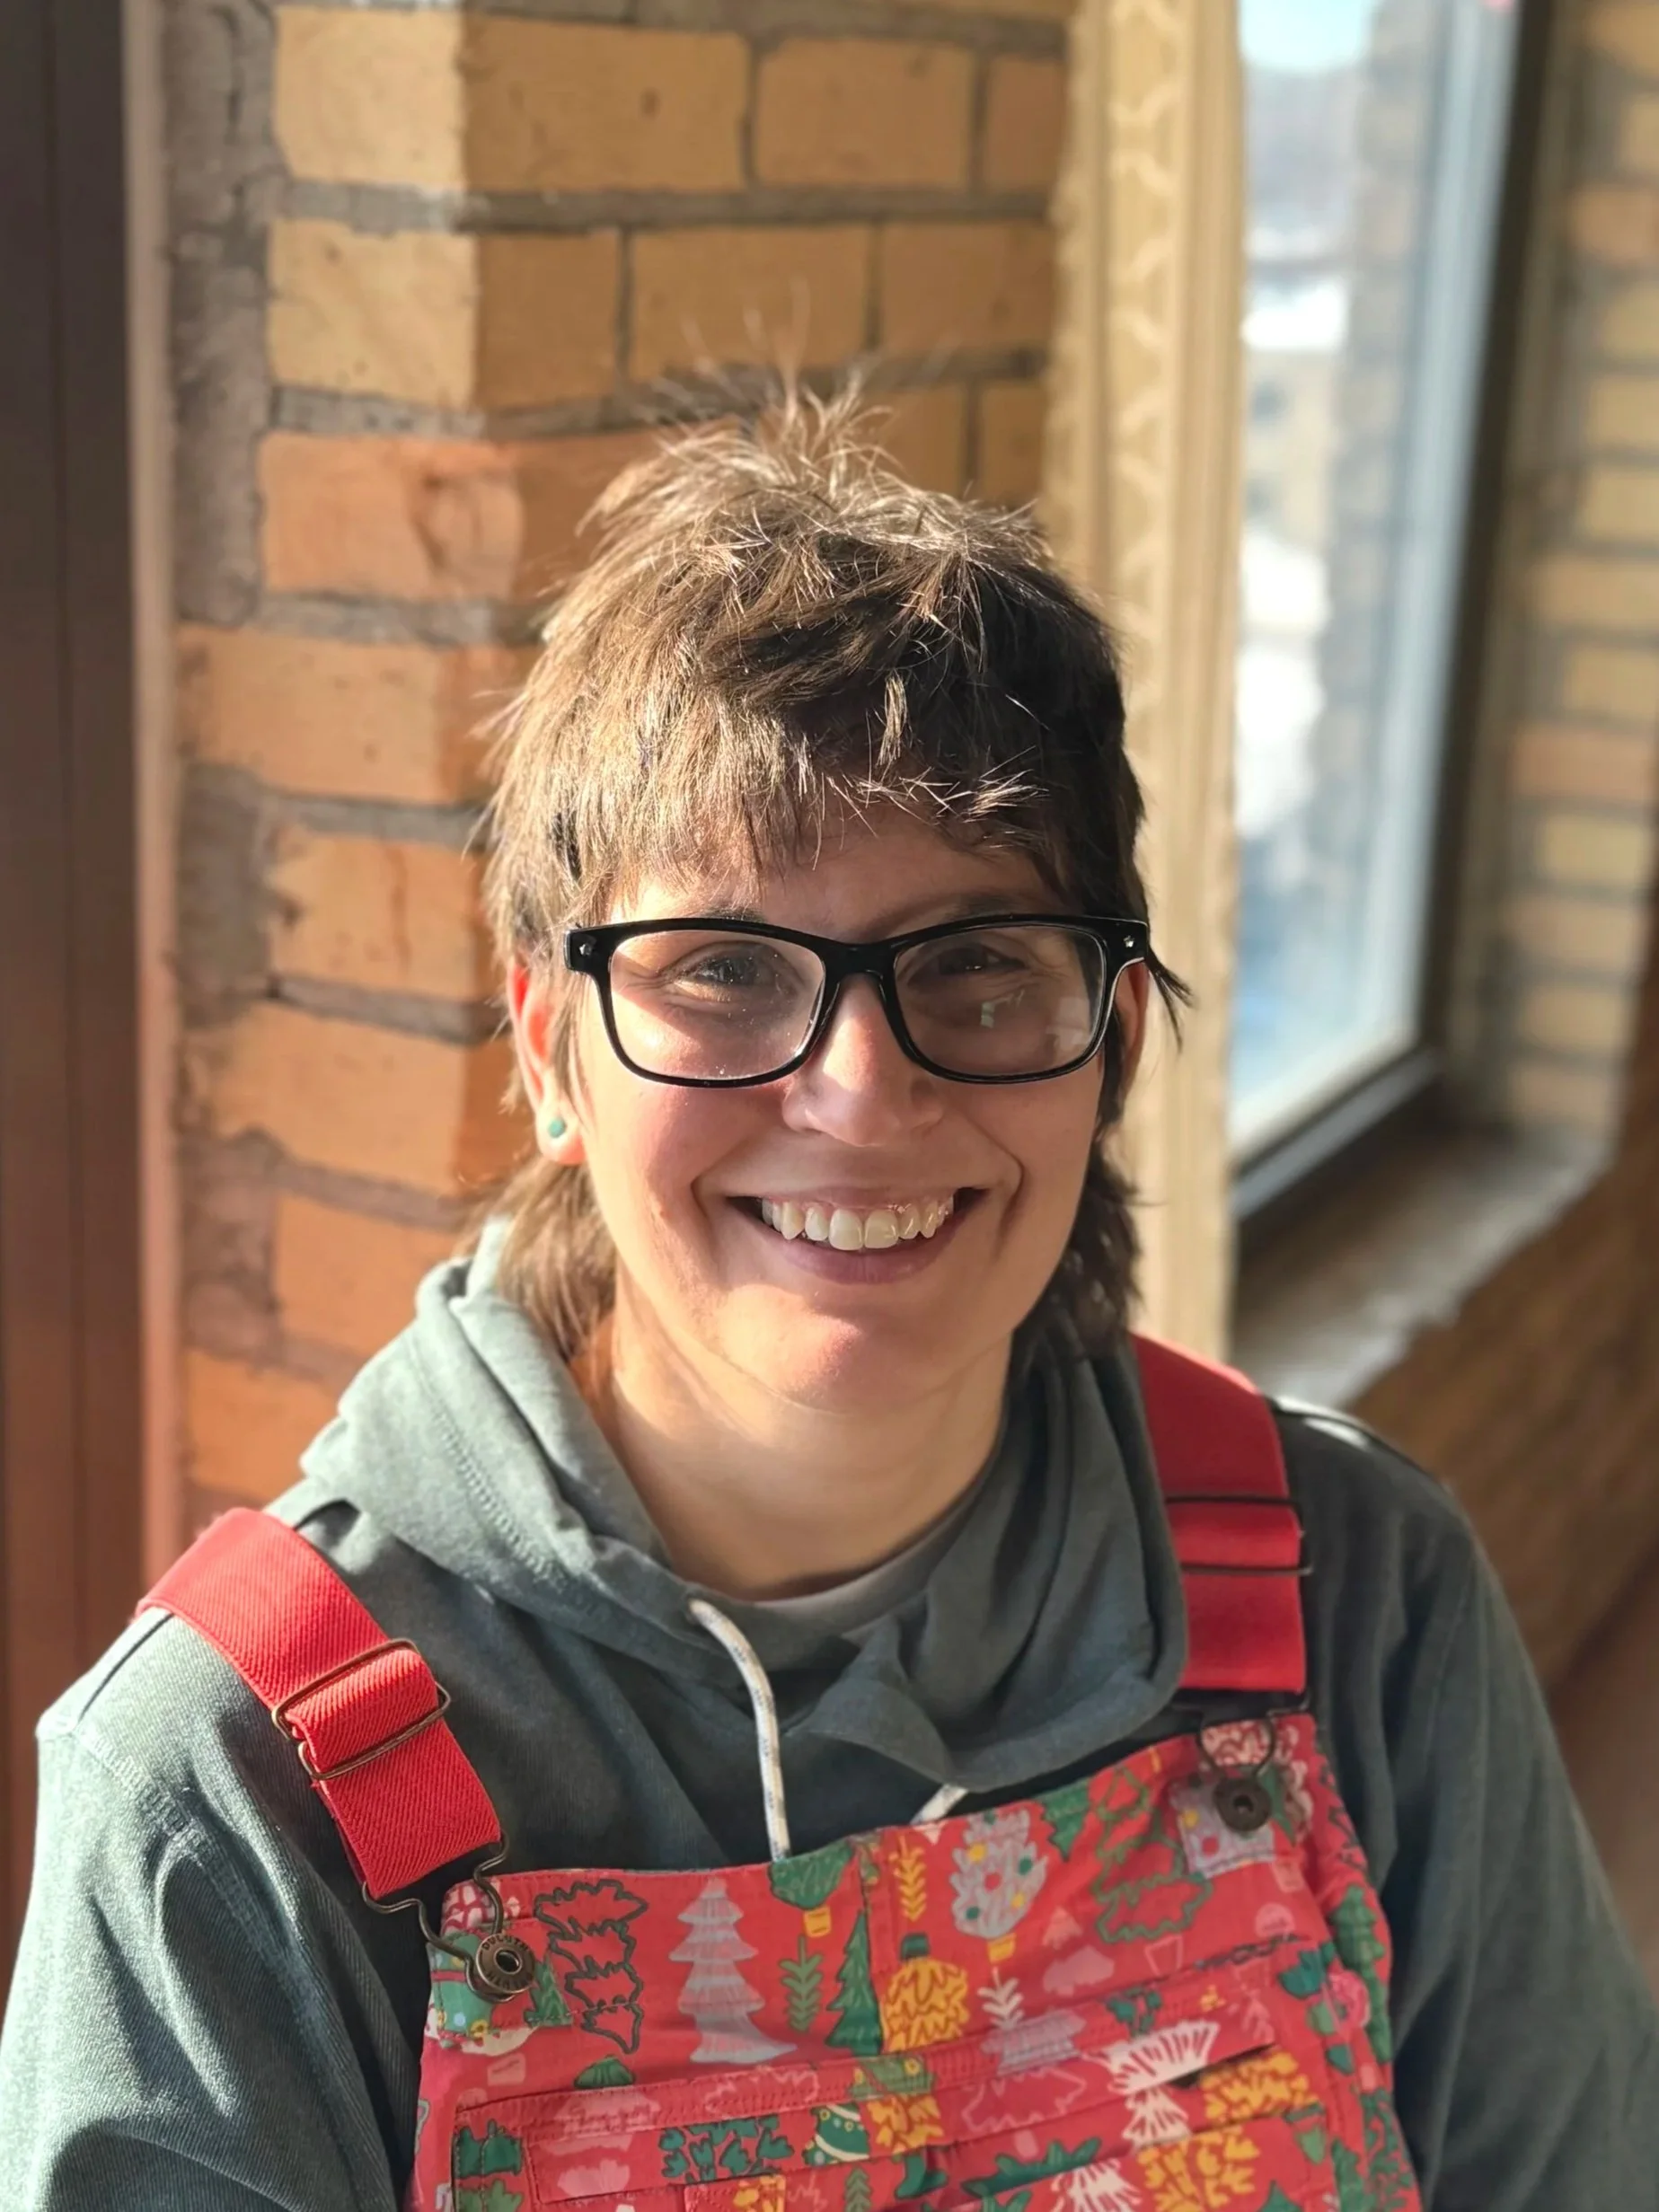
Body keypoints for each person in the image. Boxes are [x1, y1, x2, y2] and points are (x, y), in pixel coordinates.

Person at [2, 394, 1655, 2210]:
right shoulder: (228, 1791)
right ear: (549, 1046)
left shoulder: (1360, 1596)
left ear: (1103, 1046)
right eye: (720, 968)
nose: (861, 1094)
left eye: (973, 966)